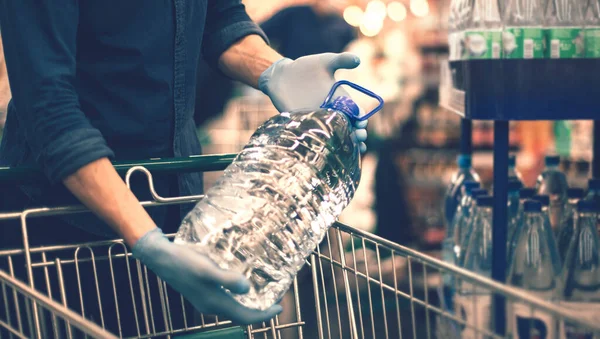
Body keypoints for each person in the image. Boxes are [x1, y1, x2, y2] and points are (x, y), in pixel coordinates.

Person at [0, 0, 369, 332]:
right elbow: (48, 107)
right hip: (62, 231)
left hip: (174, 209)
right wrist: (145, 239)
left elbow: (220, 18)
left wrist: (275, 69)